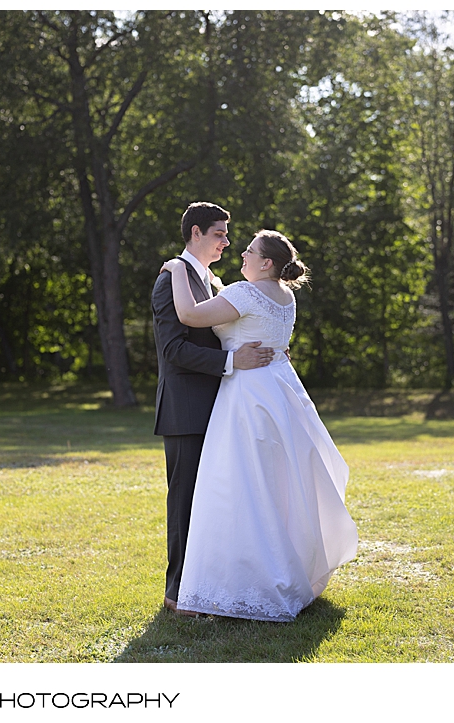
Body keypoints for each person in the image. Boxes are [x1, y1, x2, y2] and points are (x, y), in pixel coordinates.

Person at [160, 230, 358, 622]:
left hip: (247, 396)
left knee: (242, 488)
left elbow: (188, 315)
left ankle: (248, 582)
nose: (242, 256)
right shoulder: (287, 295)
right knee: (276, 486)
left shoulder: (246, 292)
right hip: (281, 393)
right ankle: (278, 572)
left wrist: (176, 270)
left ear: (266, 262)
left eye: (249, 252)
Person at [152, 202, 276, 618]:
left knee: (217, 501)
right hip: (186, 410)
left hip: (224, 409)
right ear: (196, 234)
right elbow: (173, 350)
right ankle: (177, 595)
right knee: (185, 502)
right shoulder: (171, 278)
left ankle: (210, 588)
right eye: (220, 233)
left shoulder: (213, 280)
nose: (227, 241)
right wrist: (231, 362)